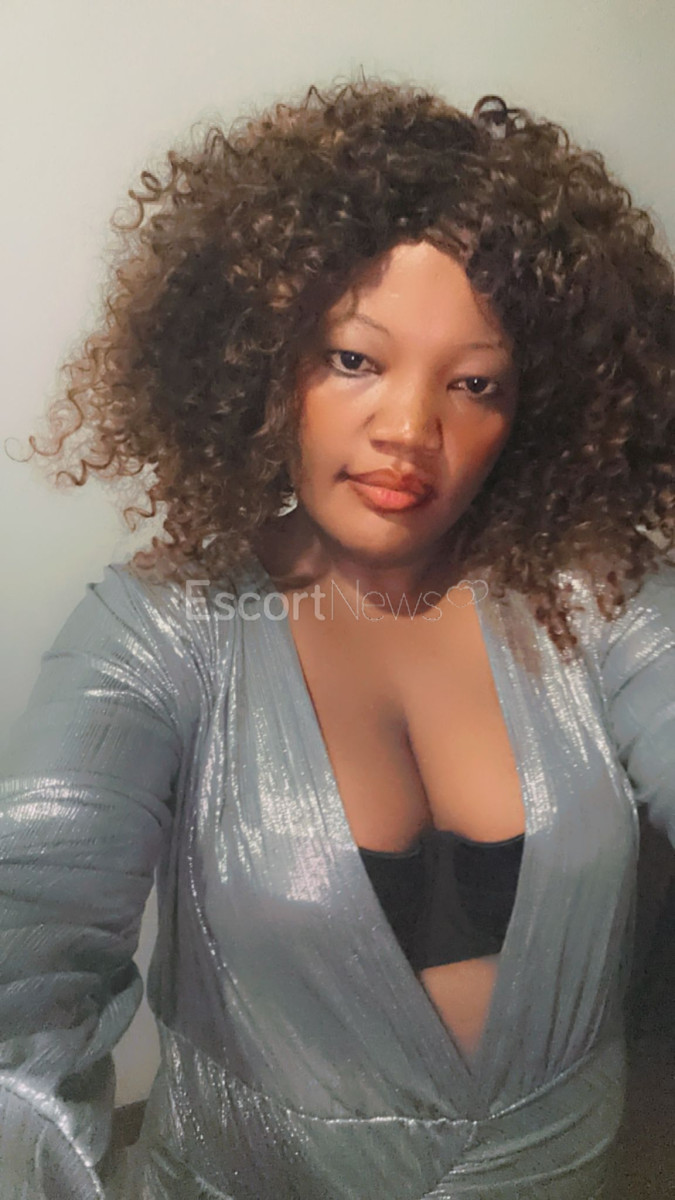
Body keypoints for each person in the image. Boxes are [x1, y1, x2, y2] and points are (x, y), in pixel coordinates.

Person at [1, 76, 674, 1200]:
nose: (410, 429)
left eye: (475, 383)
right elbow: (21, 969)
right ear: (265, 361)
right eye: (355, 359)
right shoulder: (161, 629)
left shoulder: (591, 595)